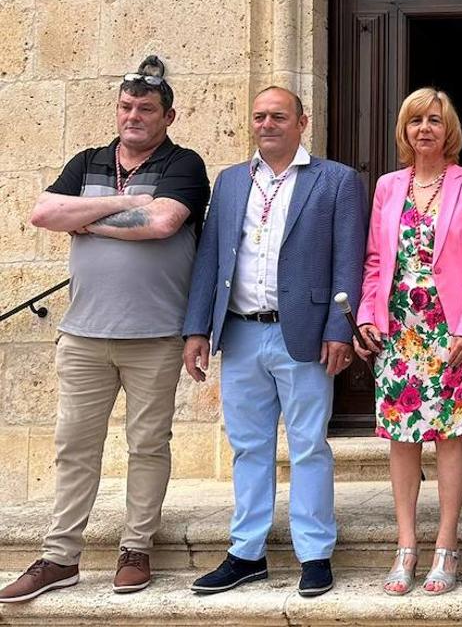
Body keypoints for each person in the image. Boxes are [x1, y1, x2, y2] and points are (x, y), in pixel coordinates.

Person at [1, 59, 209, 603]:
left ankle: (136, 549)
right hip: (84, 335)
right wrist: (122, 202)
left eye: (146, 108)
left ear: (168, 115)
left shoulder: (183, 163)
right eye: (126, 107)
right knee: (74, 445)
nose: (134, 116)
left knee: (147, 445)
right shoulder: (87, 161)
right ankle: (59, 557)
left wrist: (85, 219)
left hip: (156, 335)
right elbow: (44, 213)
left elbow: (162, 223)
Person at [182, 87, 366, 599]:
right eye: (260, 116)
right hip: (240, 332)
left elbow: (348, 261)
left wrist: (339, 329)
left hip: (303, 334)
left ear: (302, 122)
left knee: (308, 445)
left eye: (279, 116)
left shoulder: (336, 181)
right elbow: (211, 258)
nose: (267, 124)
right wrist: (198, 328)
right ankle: (246, 553)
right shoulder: (232, 181)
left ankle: (314, 554)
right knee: (248, 447)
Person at [355, 87, 462, 596]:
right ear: (405, 129)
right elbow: (375, 261)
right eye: (416, 121)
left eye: (434, 120)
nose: (425, 129)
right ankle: (406, 546)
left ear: (448, 128)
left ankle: (445, 548)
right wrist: (369, 315)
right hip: (399, 332)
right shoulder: (389, 187)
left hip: (449, 331)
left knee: (450, 437)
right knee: (402, 439)